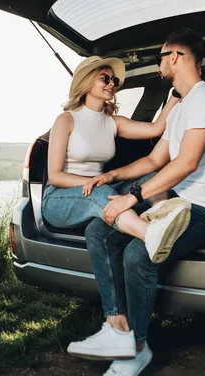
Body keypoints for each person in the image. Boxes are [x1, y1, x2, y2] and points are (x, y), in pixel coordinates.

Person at [66, 28, 205, 375]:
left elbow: (186, 163)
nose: (157, 63)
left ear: (176, 56)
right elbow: (154, 161)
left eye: (161, 56)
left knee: (137, 255)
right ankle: (117, 329)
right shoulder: (180, 107)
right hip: (179, 199)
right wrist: (111, 177)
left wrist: (133, 196)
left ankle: (138, 348)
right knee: (99, 232)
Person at [42, 55, 191, 265]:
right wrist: (95, 182)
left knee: (151, 177)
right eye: (105, 78)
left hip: (98, 189)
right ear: (87, 82)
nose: (112, 84)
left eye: (114, 81)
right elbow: (55, 176)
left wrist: (176, 95)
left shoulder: (113, 123)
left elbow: (156, 128)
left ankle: (163, 218)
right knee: (102, 192)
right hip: (59, 199)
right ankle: (151, 234)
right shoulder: (66, 119)